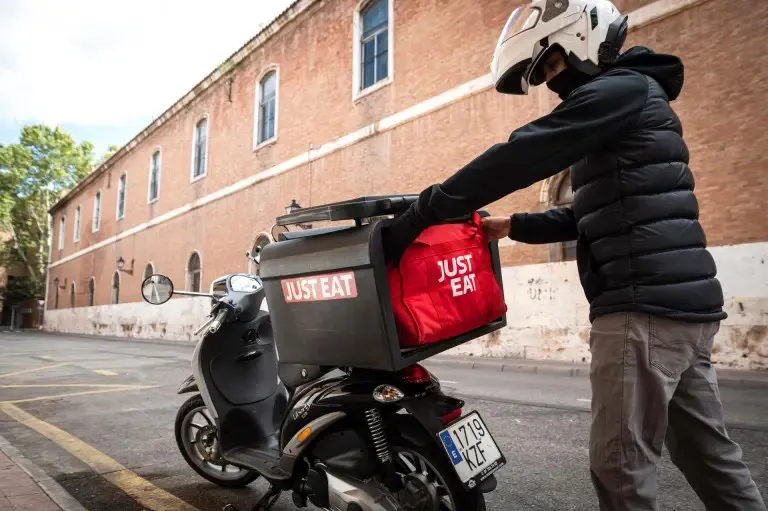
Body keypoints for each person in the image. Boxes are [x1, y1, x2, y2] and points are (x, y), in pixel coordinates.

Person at [382, 0, 767, 509]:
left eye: (553, 65)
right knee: (707, 454)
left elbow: (522, 152)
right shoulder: (635, 98)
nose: (550, 83)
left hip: (642, 310)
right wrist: (512, 225)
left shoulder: (617, 92)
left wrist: (422, 214)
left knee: (621, 466)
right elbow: (593, 215)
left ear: (583, 41)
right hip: (683, 311)